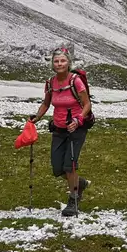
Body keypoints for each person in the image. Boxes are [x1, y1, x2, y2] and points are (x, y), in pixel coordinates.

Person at [29, 47, 91, 216]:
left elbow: (87, 104)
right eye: (56, 61)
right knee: (58, 168)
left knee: (69, 166)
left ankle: (73, 199)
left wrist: (78, 120)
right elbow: (46, 103)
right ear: (52, 64)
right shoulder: (51, 83)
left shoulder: (76, 80)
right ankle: (80, 183)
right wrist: (37, 117)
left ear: (68, 63)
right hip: (59, 128)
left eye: (63, 61)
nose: (59, 64)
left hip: (76, 129)